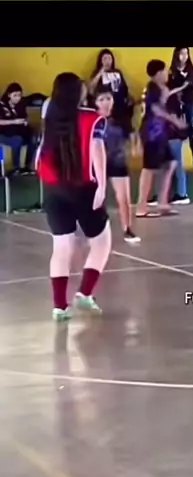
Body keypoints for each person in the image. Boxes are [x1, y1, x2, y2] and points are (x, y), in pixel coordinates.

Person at [37, 72, 111, 322]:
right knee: (101, 242)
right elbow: (97, 150)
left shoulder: (50, 119)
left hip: (54, 190)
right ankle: (85, 293)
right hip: (84, 189)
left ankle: (60, 306)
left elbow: (41, 156)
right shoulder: (92, 119)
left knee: (61, 247)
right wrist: (102, 186)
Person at [136, 59, 186, 218]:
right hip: (152, 134)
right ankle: (141, 206)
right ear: (158, 73)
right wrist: (174, 121)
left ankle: (163, 202)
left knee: (171, 163)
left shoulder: (160, 88)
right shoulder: (152, 88)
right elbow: (155, 109)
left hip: (161, 134)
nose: (167, 73)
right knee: (149, 169)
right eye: (164, 71)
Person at [94, 86, 140, 243]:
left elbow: (132, 134)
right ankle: (96, 230)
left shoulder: (121, 119)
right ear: (95, 103)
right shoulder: (92, 120)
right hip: (97, 163)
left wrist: (133, 147)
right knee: (97, 198)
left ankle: (127, 228)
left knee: (124, 198)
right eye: (101, 99)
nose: (106, 102)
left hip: (118, 161)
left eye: (108, 98)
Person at [88, 48, 134, 132]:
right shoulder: (97, 73)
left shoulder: (117, 72)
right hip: (106, 102)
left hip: (119, 101)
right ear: (100, 61)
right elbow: (91, 88)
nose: (107, 61)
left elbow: (124, 87)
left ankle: (128, 132)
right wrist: (101, 72)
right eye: (105, 59)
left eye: (109, 58)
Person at [0, 83, 37, 175]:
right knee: (18, 140)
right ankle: (15, 167)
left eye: (19, 95)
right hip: (4, 133)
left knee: (34, 138)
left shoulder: (21, 104)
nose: (17, 98)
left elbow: (24, 117)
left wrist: (25, 121)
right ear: (9, 95)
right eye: (15, 95)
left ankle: (28, 166)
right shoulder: (1, 105)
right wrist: (14, 121)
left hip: (19, 130)